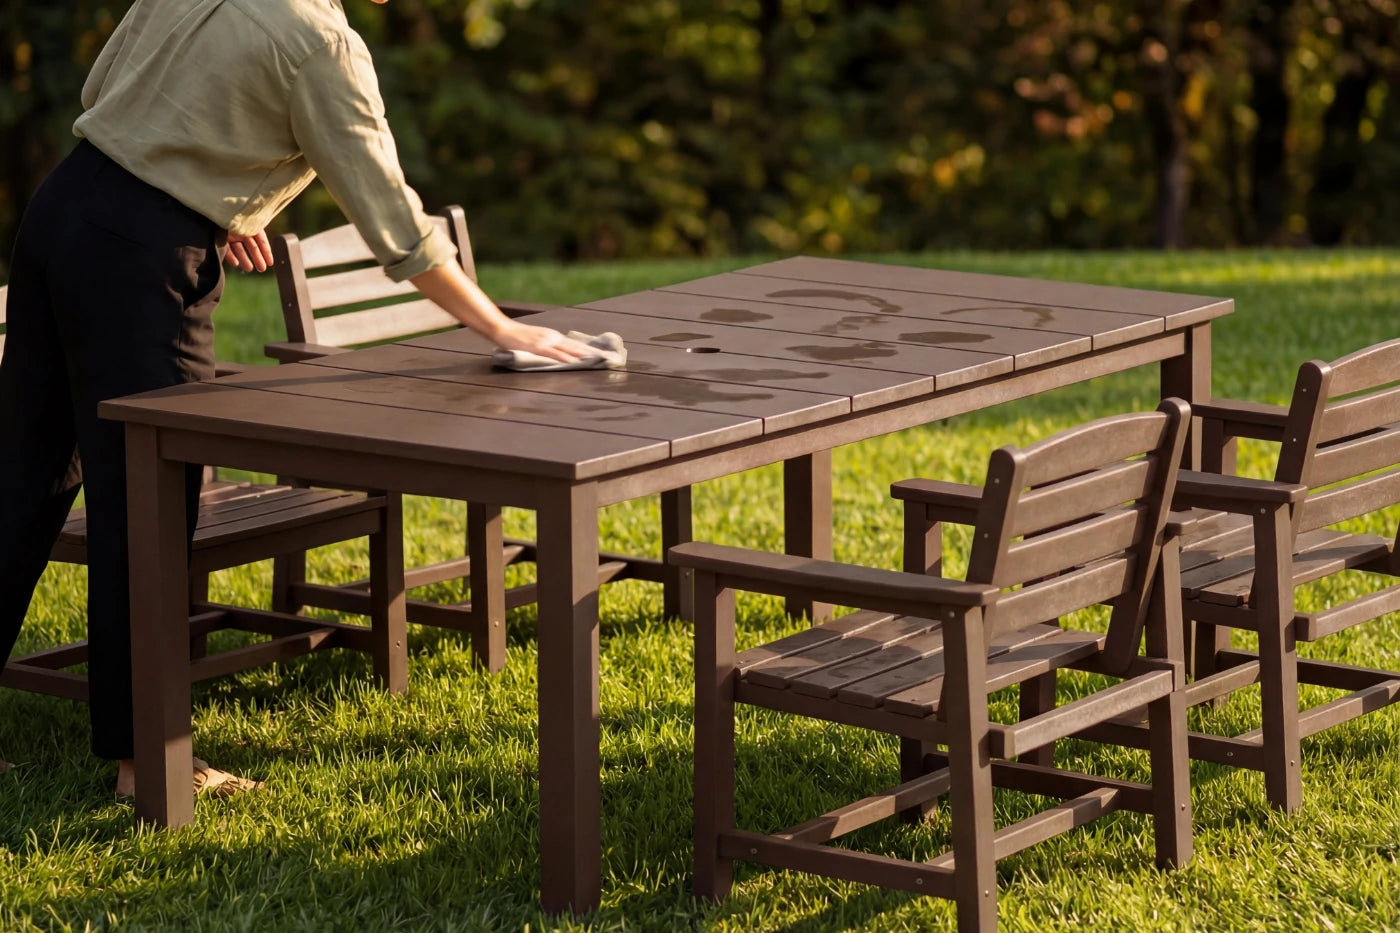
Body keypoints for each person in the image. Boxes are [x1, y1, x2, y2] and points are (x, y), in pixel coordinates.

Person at [0, 0, 589, 796]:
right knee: (149, 505)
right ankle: (148, 764)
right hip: (137, 262)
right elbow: (393, 221)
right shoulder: (321, 43)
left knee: (21, 481)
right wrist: (500, 327)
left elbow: (108, 91)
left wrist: (216, 193)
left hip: (58, 214)